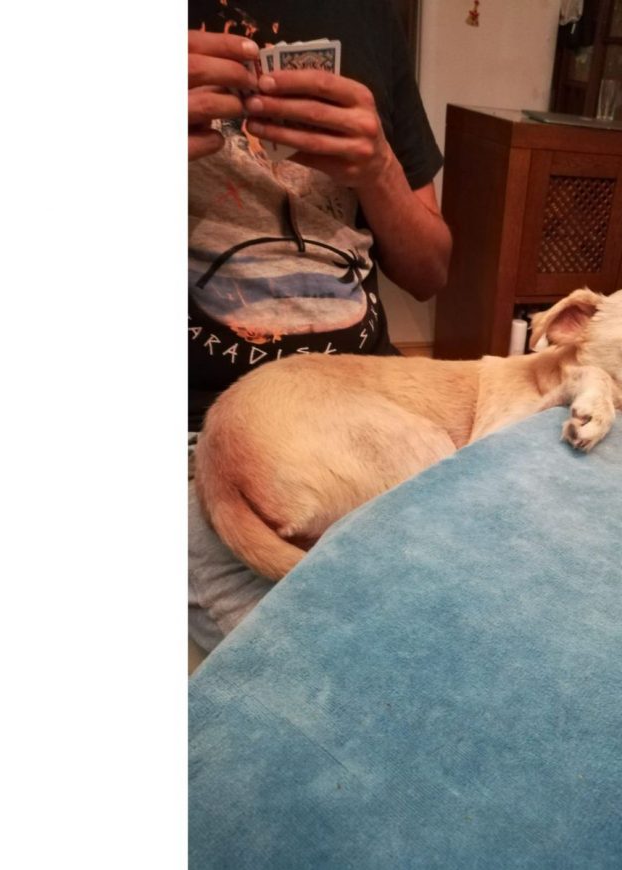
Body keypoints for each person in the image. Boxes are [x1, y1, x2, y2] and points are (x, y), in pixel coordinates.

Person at [187, 0, 452, 652]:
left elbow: (430, 271)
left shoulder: (374, 18)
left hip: (372, 393)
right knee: (365, 654)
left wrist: (380, 168)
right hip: (204, 432)